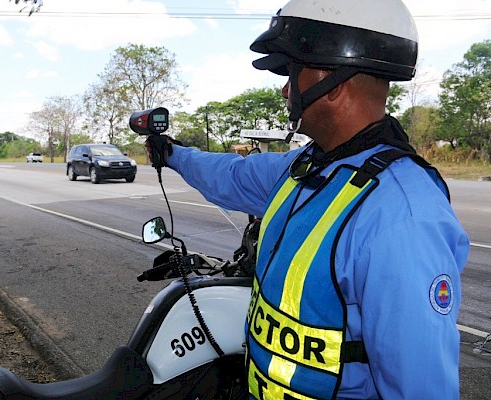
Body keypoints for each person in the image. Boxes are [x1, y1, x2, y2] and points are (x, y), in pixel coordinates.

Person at [146, 0, 470, 398]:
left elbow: (420, 390)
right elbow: (230, 174)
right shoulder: (306, 166)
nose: (285, 89)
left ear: (331, 79)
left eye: (291, 72)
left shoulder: (401, 215)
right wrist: (173, 154)